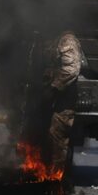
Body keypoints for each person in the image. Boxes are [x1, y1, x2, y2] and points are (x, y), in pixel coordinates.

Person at [31, 30, 84, 184]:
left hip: (62, 101)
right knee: (42, 138)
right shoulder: (45, 38)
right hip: (46, 98)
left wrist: (53, 88)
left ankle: (55, 181)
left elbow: (71, 70)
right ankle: (43, 177)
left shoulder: (66, 40)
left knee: (57, 140)